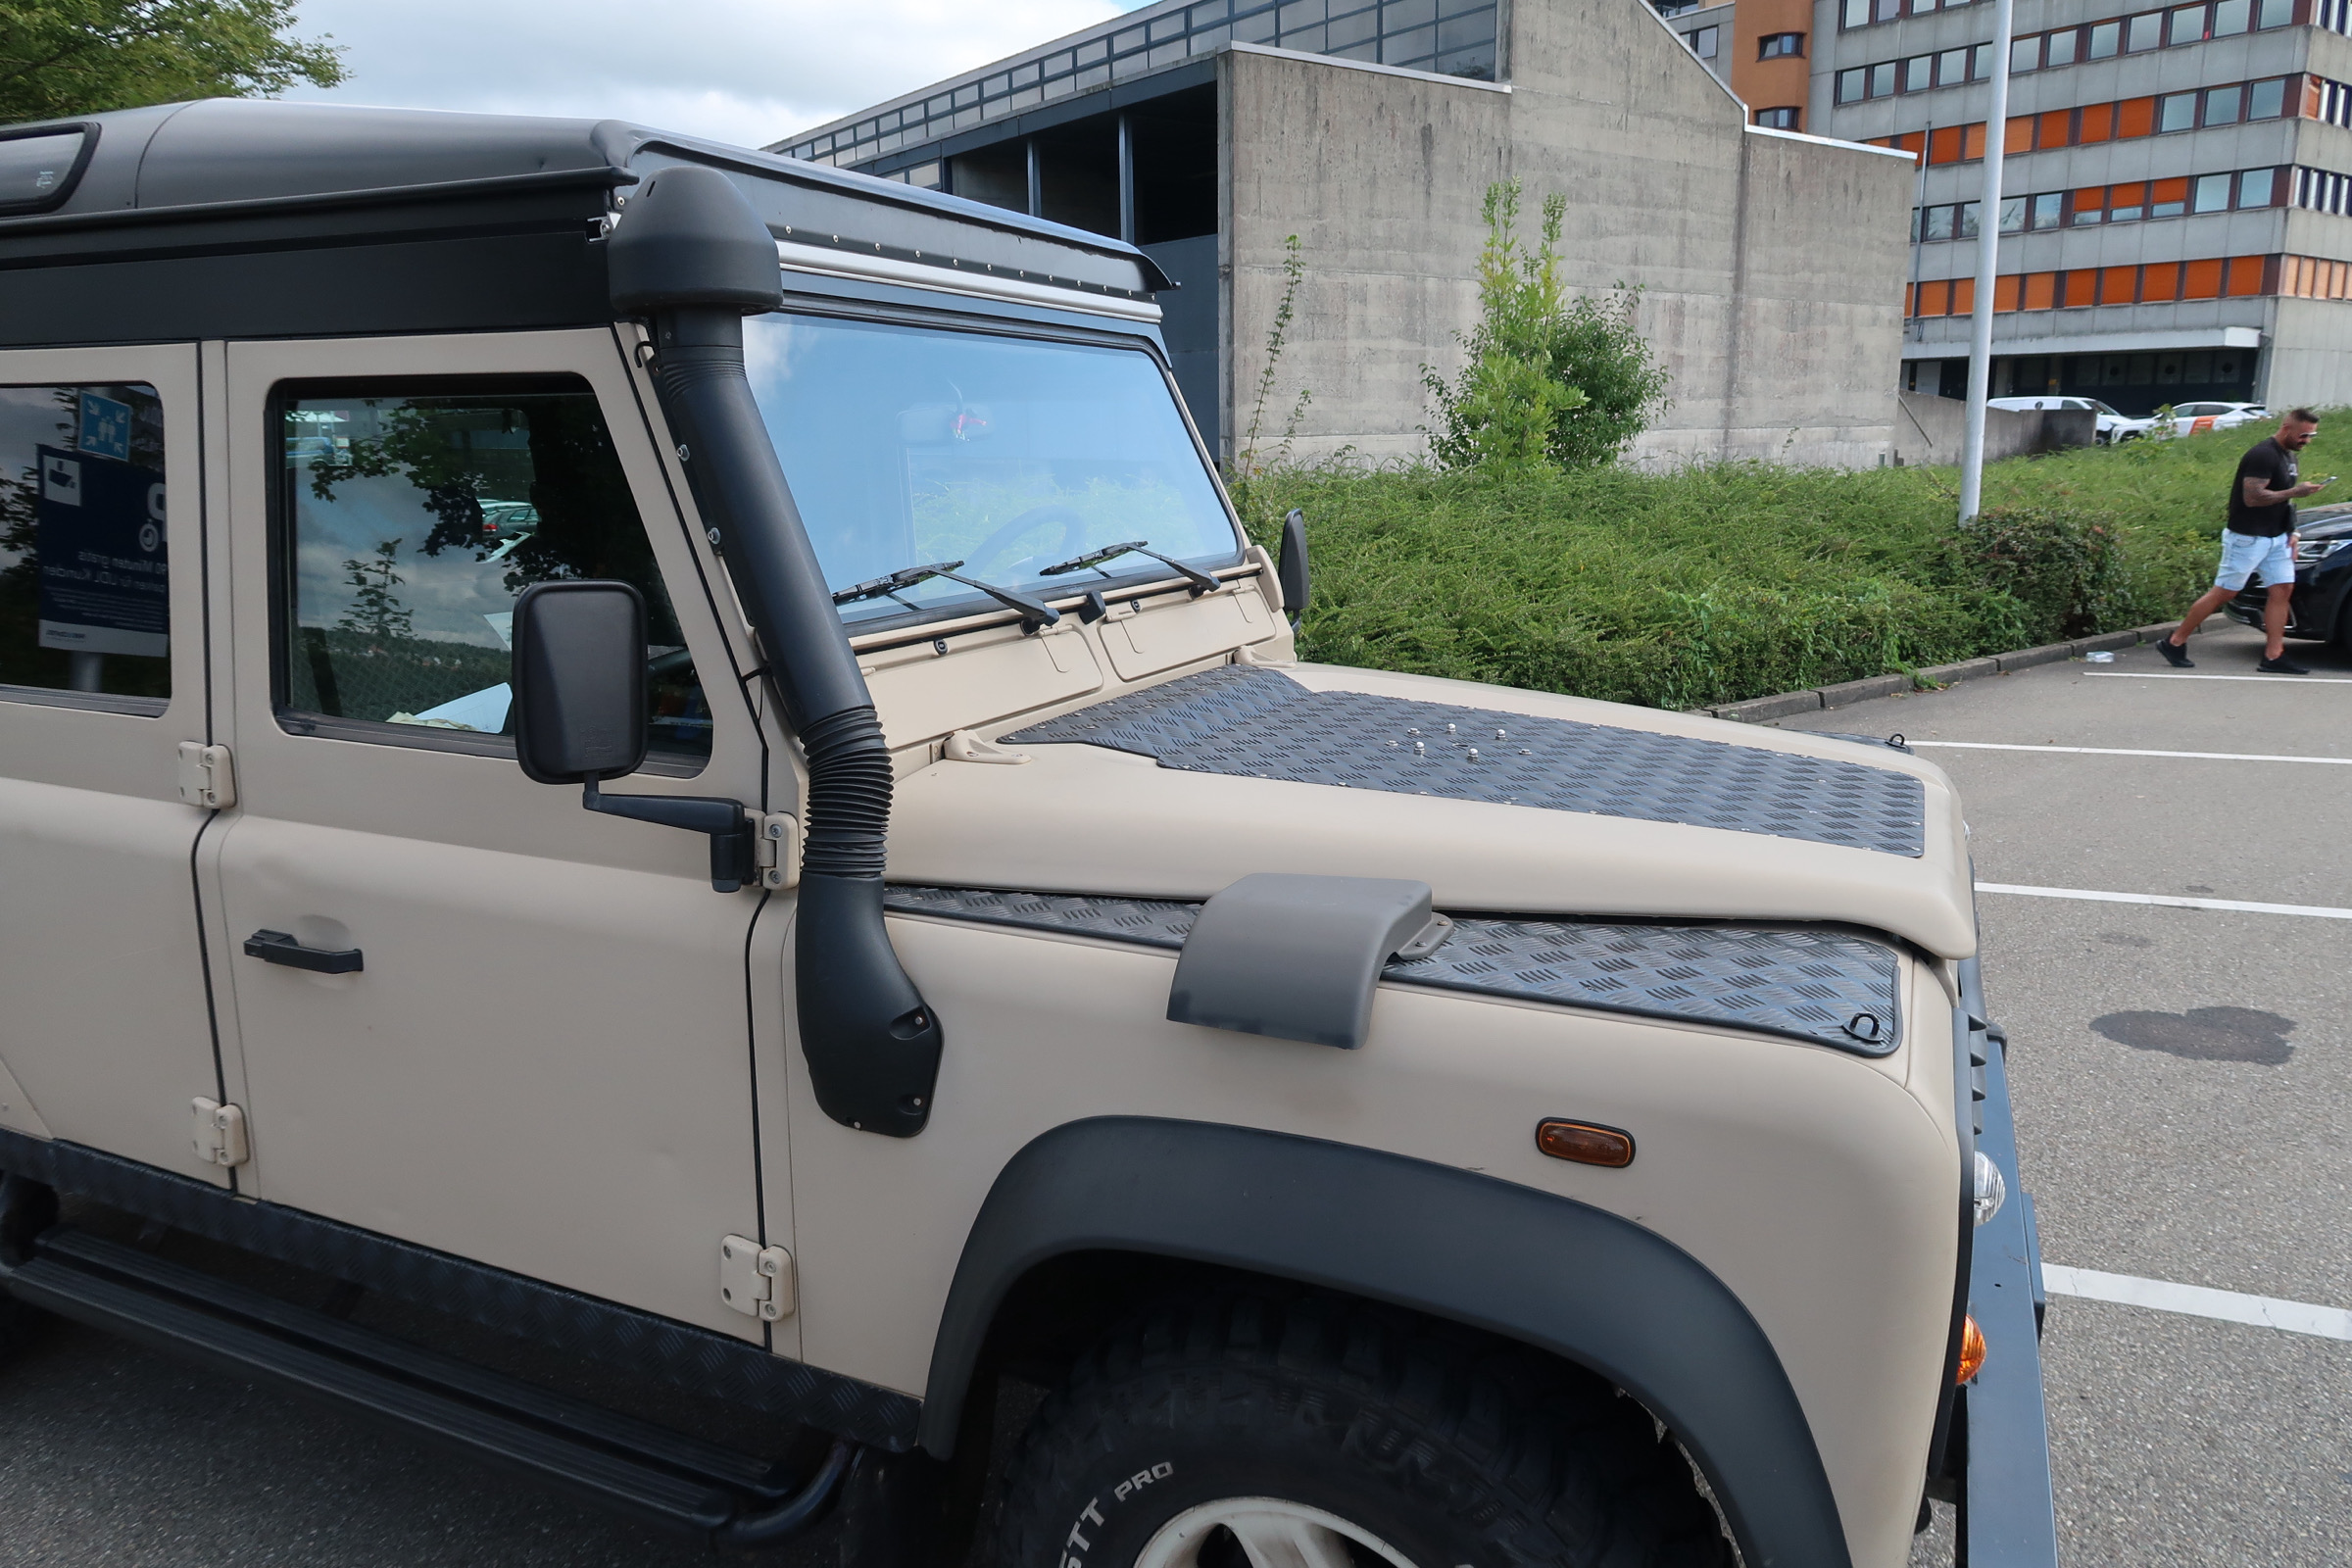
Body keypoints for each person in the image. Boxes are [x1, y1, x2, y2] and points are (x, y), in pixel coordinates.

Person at [2158, 408, 2328, 673]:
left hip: (2277, 537)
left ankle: (2274, 656)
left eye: (2311, 436)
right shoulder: (2263, 454)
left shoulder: (2289, 456)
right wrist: (2296, 491)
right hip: (2248, 537)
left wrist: (2293, 532)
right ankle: (2175, 641)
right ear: (2287, 428)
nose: (2306, 440)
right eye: (2303, 435)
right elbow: (2253, 497)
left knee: (2282, 589)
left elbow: (2286, 501)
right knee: (2225, 592)